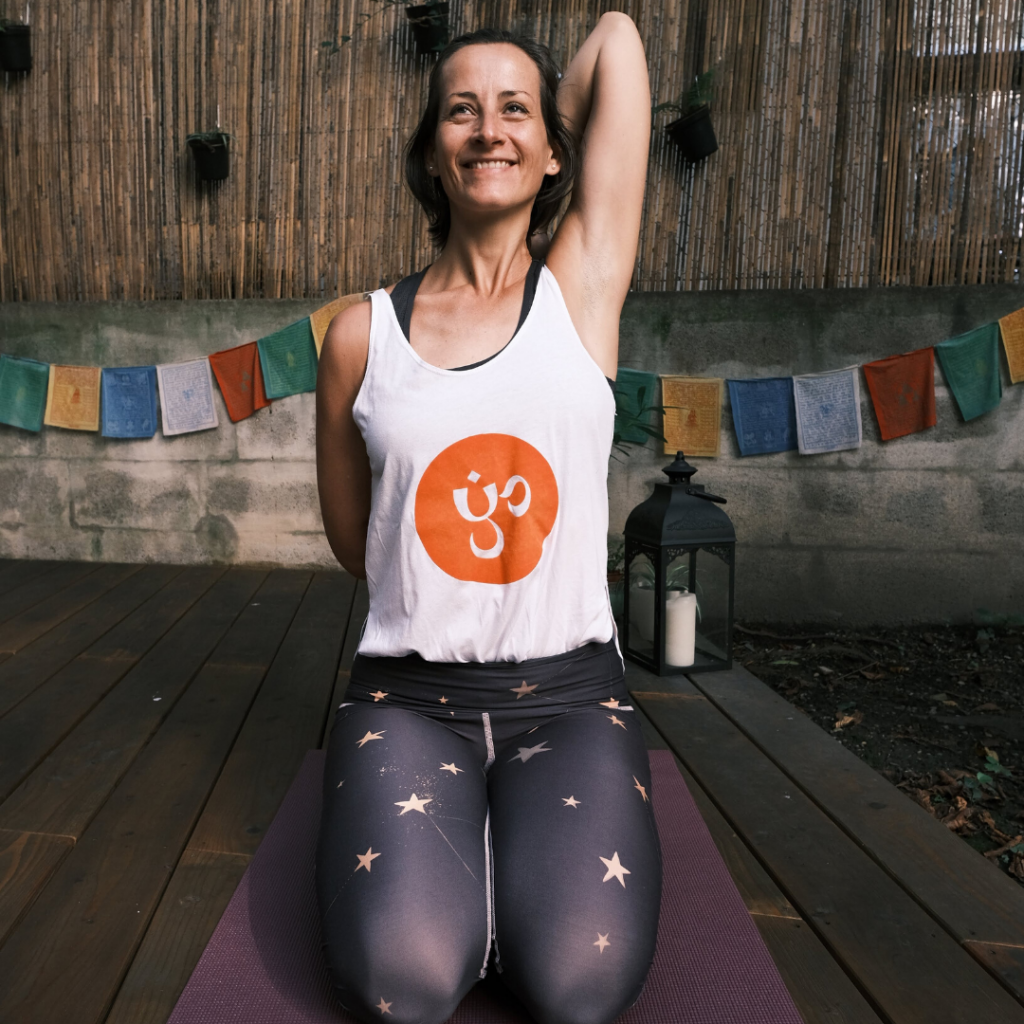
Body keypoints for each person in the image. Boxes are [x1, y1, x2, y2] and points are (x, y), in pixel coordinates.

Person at [315, 15, 657, 1024]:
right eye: (460, 110)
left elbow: (620, 45)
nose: (488, 130)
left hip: (570, 699)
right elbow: (357, 542)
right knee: (405, 980)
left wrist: (541, 86)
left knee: (578, 982)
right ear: (428, 149)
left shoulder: (583, 285)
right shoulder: (357, 335)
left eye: (516, 111)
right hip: (407, 703)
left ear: (556, 149)